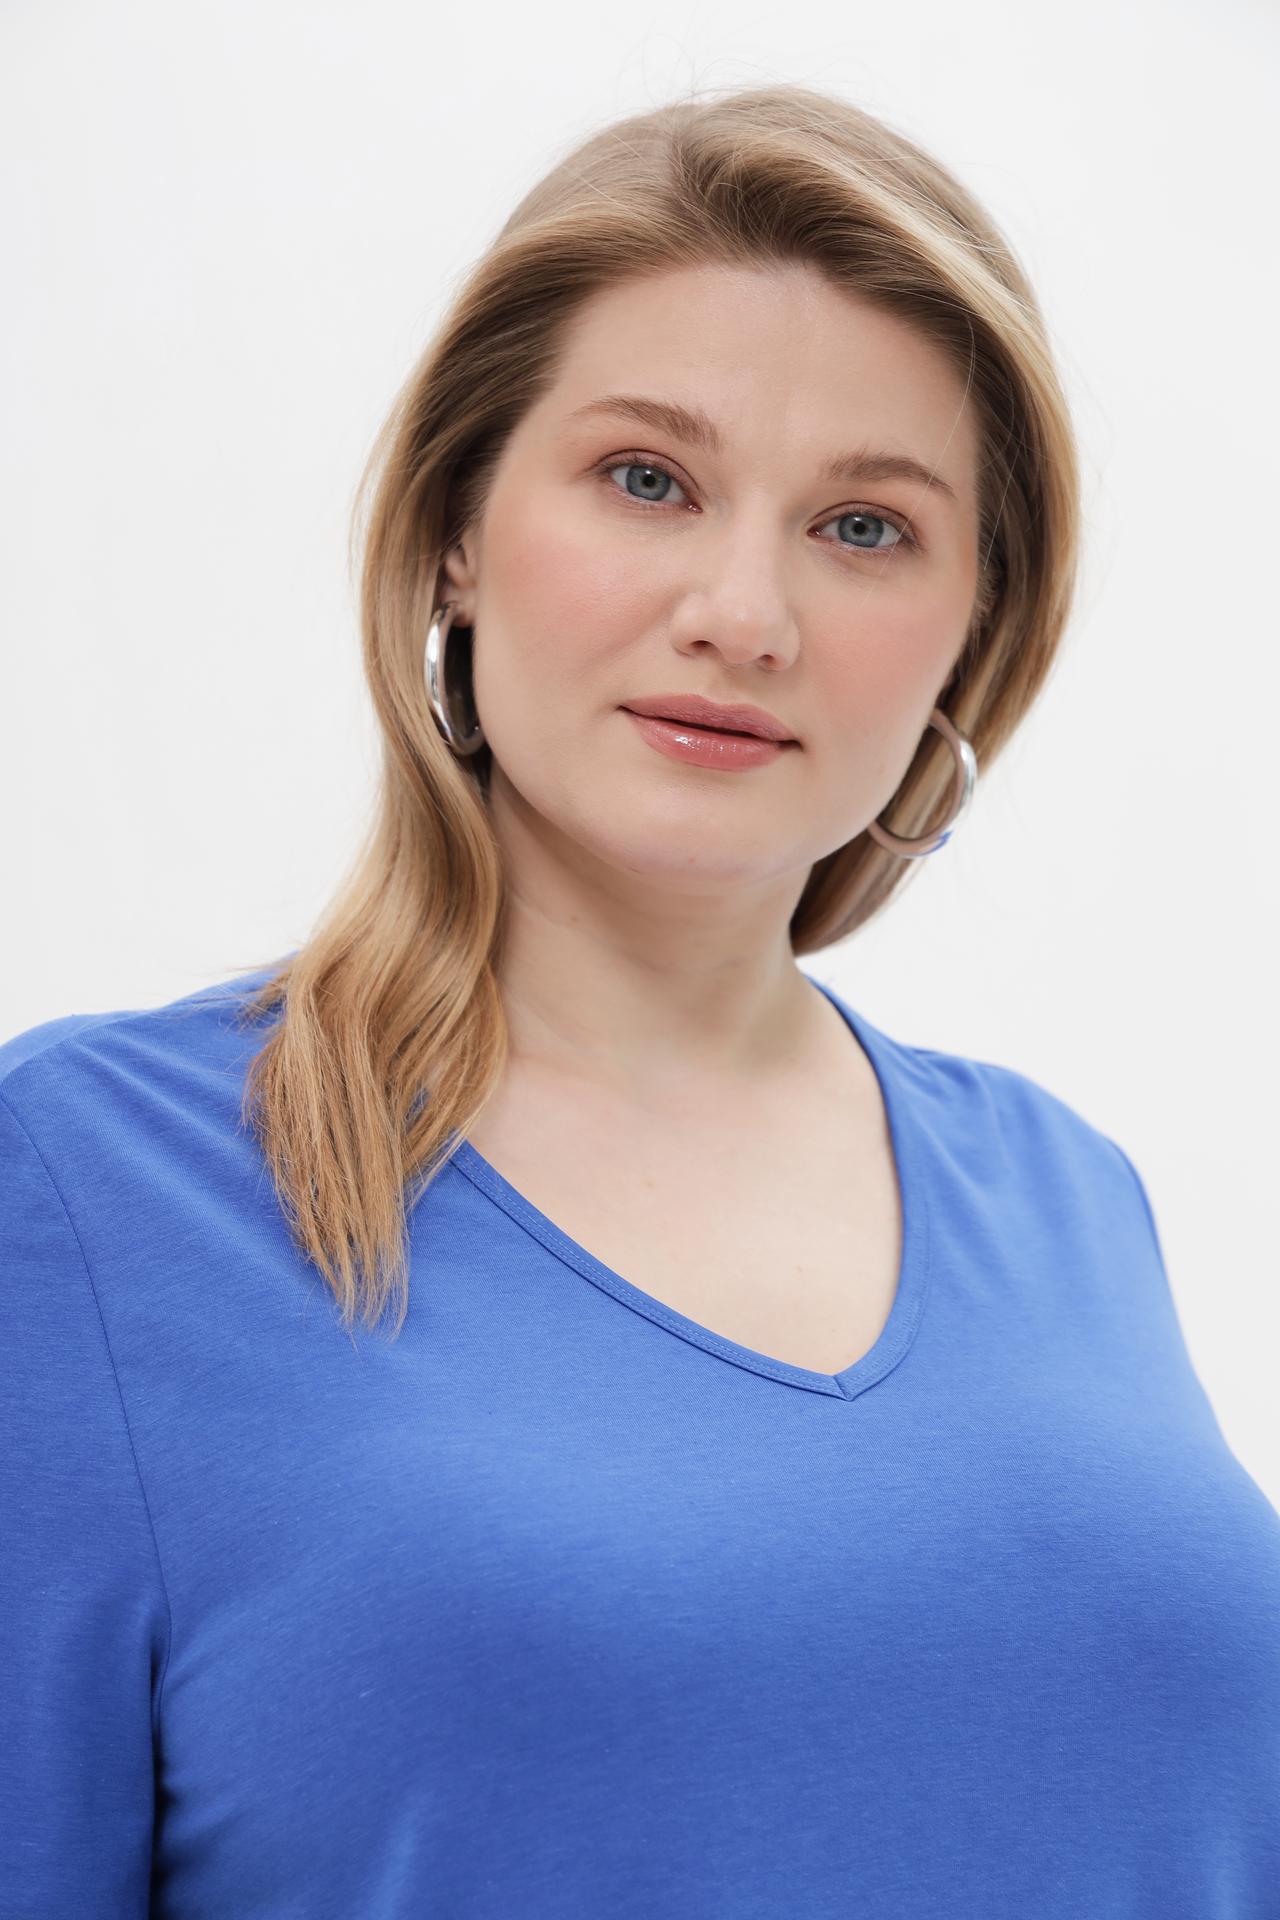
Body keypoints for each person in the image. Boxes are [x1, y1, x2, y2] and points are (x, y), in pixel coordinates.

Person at [2, 80, 1277, 1919]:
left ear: (971, 639)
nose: (744, 613)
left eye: (866, 527)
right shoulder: (88, 1195)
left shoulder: (1072, 1197)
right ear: (456, 529)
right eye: (648, 481)